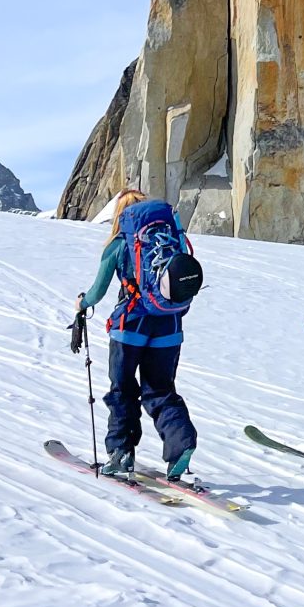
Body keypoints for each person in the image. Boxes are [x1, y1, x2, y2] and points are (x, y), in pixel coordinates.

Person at [76, 188, 198, 478]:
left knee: (123, 390)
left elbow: (97, 291)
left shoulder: (119, 244)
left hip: (129, 328)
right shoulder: (170, 241)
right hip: (169, 326)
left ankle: (120, 453)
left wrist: (82, 303)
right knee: (161, 391)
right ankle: (181, 445)